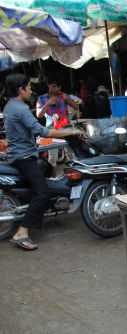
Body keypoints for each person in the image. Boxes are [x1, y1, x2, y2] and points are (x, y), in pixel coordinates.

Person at [3, 73, 83, 251]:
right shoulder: (20, 108)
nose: (31, 90)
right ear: (20, 89)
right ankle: (22, 232)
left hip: (19, 154)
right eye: (29, 87)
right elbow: (43, 132)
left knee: (46, 167)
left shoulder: (10, 106)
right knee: (42, 193)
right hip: (23, 157)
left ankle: (39, 211)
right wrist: (71, 131)